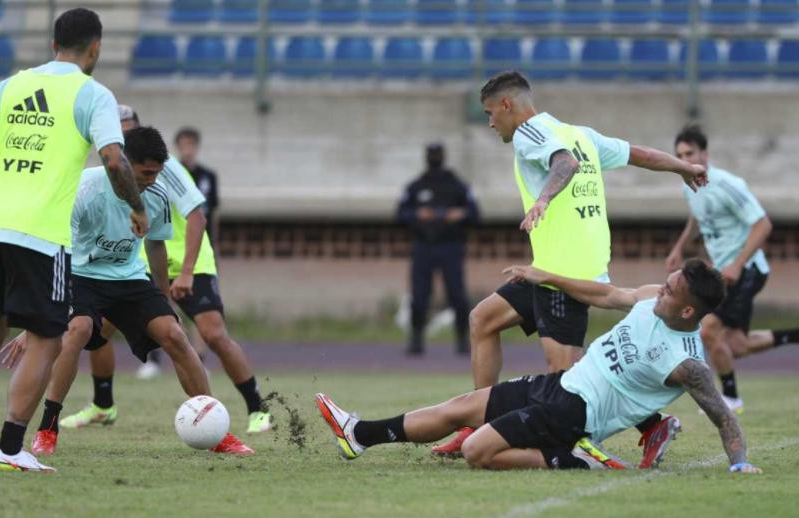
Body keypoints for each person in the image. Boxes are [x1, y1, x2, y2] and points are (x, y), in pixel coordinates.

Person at [433, 70, 708, 461]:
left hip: (565, 275)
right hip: (547, 269)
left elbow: (563, 165)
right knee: (483, 320)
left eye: (491, 113)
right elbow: (638, 155)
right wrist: (682, 168)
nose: (490, 123)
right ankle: (477, 424)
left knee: (565, 380)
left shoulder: (530, 134)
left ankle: (640, 426)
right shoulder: (582, 134)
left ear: (508, 105)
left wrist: (542, 199)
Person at [317, 259, 762, 474]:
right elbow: (605, 295)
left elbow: (722, 415)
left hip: (575, 414)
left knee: (477, 452)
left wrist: (739, 464)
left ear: (688, 312)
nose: (659, 292)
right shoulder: (653, 299)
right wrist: (544, 276)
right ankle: (361, 435)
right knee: (464, 406)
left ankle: (575, 460)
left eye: (670, 292)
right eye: (665, 285)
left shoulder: (687, 362)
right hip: (561, 384)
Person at [0, 127, 254, 457]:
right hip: (82, 275)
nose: (152, 180)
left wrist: (162, 299)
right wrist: (44, 313)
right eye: (146, 172)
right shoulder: (85, 190)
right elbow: (57, 249)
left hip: (130, 279)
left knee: (175, 336)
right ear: (123, 164)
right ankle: (48, 427)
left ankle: (217, 433)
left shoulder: (157, 195)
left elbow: (156, 246)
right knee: (77, 329)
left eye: (157, 173)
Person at [56, 106, 272, 435]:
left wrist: (185, 272)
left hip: (188, 260)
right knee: (94, 333)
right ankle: (102, 405)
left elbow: (197, 215)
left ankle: (256, 409)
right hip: (139, 263)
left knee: (211, 334)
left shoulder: (163, 170)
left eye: (127, 129)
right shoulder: (108, 174)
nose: (120, 138)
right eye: (117, 133)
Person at [0, 7, 147, 473]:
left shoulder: (10, 85)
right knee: (47, 338)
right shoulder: (92, 93)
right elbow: (114, 160)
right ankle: (8, 447)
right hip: (40, 236)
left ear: (51, 45)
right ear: (96, 47)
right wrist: (137, 207)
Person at [665, 125, 799, 413]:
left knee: (709, 330)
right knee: (736, 345)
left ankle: (730, 399)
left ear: (704, 153)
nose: (685, 159)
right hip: (724, 271)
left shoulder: (729, 185)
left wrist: (737, 263)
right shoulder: (688, 184)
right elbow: (696, 217)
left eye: (689, 153)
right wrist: (679, 247)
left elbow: (763, 224)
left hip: (747, 269)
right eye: (679, 155)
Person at [396, 143, 480, 355]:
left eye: (437, 155)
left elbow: (475, 213)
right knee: (420, 296)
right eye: (432, 155)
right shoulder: (416, 186)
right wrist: (417, 215)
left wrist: (458, 214)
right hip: (423, 246)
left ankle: (462, 341)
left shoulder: (457, 185)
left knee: (457, 295)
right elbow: (400, 214)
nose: (434, 158)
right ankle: (416, 340)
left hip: (450, 246)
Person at [175, 126, 220, 245]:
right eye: (184, 145)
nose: (188, 150)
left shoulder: (208, 176)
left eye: (191, 145)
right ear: (178, 147)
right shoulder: (173, 175)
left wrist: (214, 240)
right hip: (180, 235)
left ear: (197, 147)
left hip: (204, 235)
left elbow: (213, 209)